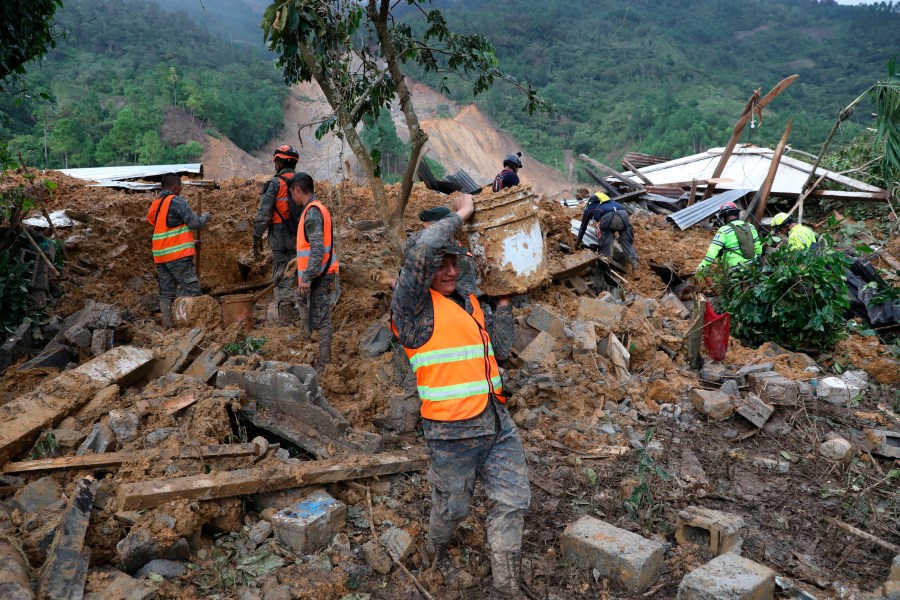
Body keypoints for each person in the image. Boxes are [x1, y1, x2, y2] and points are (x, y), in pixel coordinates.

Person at [391, 193, 529, 598]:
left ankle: (507, 587)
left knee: (514, 500)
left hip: (496, 423)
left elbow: (501, 351)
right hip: (451, 434)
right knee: (453, 510)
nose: (450, 270)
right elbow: (424, 250)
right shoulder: (412, 308)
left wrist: (503, 302)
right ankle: (433, 551)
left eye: (456, 262)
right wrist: (460, 214)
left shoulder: (467, 302)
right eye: (442, 264)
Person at [147, 173, 211, 328]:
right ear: (175, 186)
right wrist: (206, 217)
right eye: (180, 186)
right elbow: (195, 223)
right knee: (192, 290)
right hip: (177, 256)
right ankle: (195, 326)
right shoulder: (176, 201)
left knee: (167, 292)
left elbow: (169, 228)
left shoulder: (156, 204)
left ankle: (168, 325)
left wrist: (190, 241)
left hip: (161, 255)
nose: (181, 190)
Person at [290, 173, 340, 371]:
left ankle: (325, 363)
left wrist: (307, 277)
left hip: (320, 273)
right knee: (303, 302)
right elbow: (312, 247)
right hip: (320, 271)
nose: (292, 199)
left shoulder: (311, 212)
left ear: (297, 190)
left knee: (322, 316)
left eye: (292, 193)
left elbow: (318, 248)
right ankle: (308, 336)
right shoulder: (317, 208)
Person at [371, 205, 478, 292]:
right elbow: (414, 290)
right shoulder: (428, 258)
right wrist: (392, 282)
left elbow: (462, 301)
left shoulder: (462, 262)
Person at [253, 144, 299, 325]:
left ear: (279, 163)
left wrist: (257, 236)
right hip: (301, 237)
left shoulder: (274, 184)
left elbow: (264, 215)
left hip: (280, 237)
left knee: (282, 274)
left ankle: (287, 319)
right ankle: (302, 313)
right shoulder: (303, 182)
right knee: (300, 272)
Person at [575, 191, 639, 269]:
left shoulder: (589, 207)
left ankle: (606, 263)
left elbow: (583, 227)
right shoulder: (614, 202)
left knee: (606, 241)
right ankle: (635, 264)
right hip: (623, 215)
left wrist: (577, 243)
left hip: (608, 218)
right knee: (627, 242)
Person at [696, 201, 762, 274]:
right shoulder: (751, 226)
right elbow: (758, 246)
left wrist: (703, 266)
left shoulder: (723, 230)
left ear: (723, 217)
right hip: (753, 265)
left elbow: (713, 249)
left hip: (735, 268)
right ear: (737, 214)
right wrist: (757, 259)